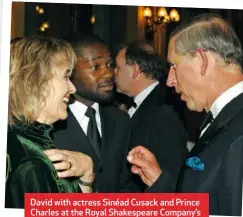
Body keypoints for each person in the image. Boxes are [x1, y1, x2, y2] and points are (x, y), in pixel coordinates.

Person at [127, 13, 243, 216]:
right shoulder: (223, 117)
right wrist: (160, 181)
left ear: (202, 60)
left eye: (174, 65)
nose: (170, 80)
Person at [5, 36, 94, 209]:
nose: (73, 88)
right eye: (66, 76)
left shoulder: (33, 144)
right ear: (35, 81)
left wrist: (86, 176)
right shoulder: (30, 162)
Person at [51, 33, 133, 192]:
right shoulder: (50, 123)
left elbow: (126, 182)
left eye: (110, 65)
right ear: (70, 72)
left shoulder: (120, 120)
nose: (109, 74)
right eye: (96, 67)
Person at [115, 41, 188, 192]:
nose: (113, 73)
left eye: (118, 68)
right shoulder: (147, 104)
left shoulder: (162, 112)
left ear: (135, 69)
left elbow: (171, 177)